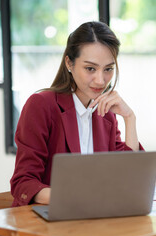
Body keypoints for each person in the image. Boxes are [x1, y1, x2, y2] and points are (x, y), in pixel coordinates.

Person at [10, 21, 143, 207]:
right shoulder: (42, 105)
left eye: (108, 69)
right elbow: (23, 183)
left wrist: (130, 118)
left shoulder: (105, 113)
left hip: (90, 219)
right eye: (90, 68)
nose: (100, 80)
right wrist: (75, 198)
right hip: (46, 221)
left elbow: (129, 177)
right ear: (69, 63)